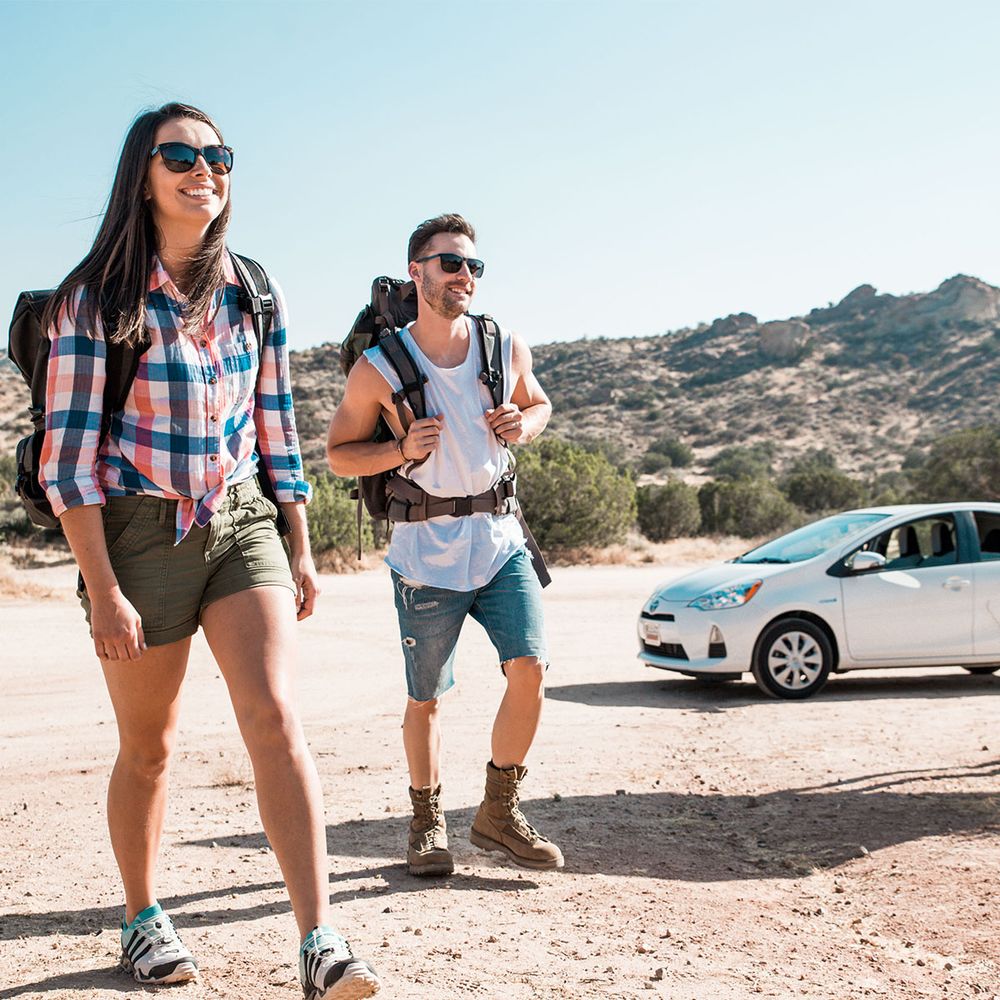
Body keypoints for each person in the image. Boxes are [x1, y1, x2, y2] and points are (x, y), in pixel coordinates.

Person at [39, 103, 380, 999]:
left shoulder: (252, 290)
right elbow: (67, 463)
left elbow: (276, 423)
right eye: (182, 155)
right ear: (142, 175)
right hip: (137, 536)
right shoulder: (94, 301)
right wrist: (103, 589)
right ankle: (142, 919)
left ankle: (320, 940)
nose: (206, 170)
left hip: (241, 522)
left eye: (218, 155)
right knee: (149, 746)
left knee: (275, 717)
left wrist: (299, 541)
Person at [326, 213, 564, 876]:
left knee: (530, 669)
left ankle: (498, 814)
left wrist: (524, 423)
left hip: (500, 540)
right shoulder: (379, 367)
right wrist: (400, 450)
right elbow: (340, 455)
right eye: (450, 263)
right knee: (427, 696)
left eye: (473, 266)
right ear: (417, 271)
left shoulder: (503, 345)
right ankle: (426, 824)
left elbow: (539, 405)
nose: (464, 275)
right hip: (424, 553)